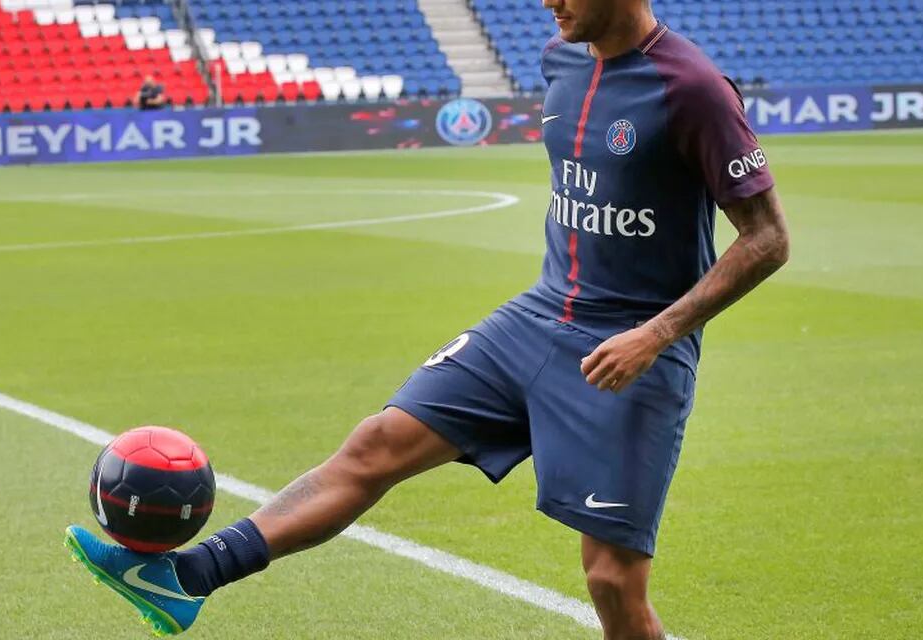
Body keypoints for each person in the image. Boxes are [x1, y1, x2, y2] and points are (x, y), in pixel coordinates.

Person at [64, 0, 790, 638]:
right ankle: (183, 580)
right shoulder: (559, 61)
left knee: (611, 583)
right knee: (376, 444)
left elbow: (768, 239)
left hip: (632, 349)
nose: (546, 2)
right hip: (538, 317)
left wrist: (659, 332)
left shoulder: (691, 90)